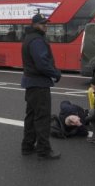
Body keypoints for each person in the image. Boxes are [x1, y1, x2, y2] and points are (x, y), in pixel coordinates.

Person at [21, 13, 62, 160]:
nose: (46, 25)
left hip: (31, 83)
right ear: (34, 25)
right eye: (43, 23)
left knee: (31, 117)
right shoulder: (37, 40)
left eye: (46, 23)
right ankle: (44, 150)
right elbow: (42, 63)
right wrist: (56, 73)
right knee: (42, 118)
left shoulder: (29, 38)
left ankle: (27, 146)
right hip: (39, 84)